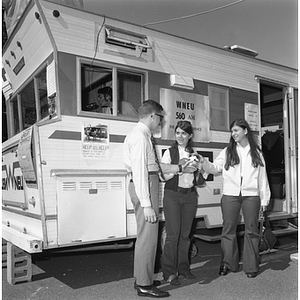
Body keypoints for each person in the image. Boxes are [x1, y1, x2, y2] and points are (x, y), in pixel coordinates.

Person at [123, 100, 196, 298]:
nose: (161, 122)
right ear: (153, 116)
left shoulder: (141, 135)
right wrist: (147, 204)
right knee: (148, 238)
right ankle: (145, 285)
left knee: (146, 238)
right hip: (145, 184)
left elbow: (154, 169)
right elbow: (140, 172)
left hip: (149, 182)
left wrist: (179, 168)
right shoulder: (140, 137)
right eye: (160, 117)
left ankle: (142, 278)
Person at [199, 119, 270, 278]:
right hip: (230, 195)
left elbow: (262, 178)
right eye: (232, 131)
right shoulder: (227, 151)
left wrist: (264, 199)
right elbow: (215, 168)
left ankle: (251, 266)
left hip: (251, 196)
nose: (233, 134)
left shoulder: (256, 152)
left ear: (245, 131)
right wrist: (204, 162)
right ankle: (228, 263)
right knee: (228, 229)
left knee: (251, 231)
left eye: (236, 130)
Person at [161, 121, 200, 285]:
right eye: (178, 133)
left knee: (185, 235)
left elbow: (198, 179)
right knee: (173, 235)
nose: (180, 136)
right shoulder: (169, 152)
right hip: (173, 195)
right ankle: (169, 272)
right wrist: (180, 168)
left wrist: (198, 168)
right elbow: (163, 175)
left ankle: (184, 269)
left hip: (190, 196)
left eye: (184, 133)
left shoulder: (195, 153)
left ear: (190, 135)